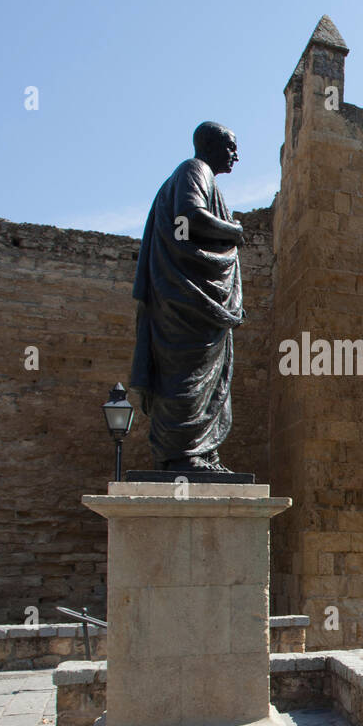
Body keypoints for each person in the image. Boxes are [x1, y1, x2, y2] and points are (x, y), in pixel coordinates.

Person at [130, 122, 246, 472]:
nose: (236, 155)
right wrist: (234, 230)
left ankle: (198, 453)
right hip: (187, 300)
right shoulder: (194, 170)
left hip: (195, 299)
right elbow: (189, 217)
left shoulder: (202, 176)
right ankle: (182, 456)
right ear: (209, 146)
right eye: (230, 147)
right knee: (187, 374)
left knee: (199, 375)